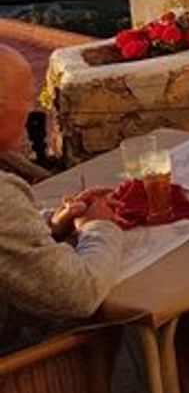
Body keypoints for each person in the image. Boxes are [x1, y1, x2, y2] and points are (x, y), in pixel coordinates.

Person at [1, 45, 123, 355]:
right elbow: (80, 295)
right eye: (27, 99)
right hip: (20, 370)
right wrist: (99, 226)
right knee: (132, 303)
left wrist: (52, 224)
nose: (31, 110)